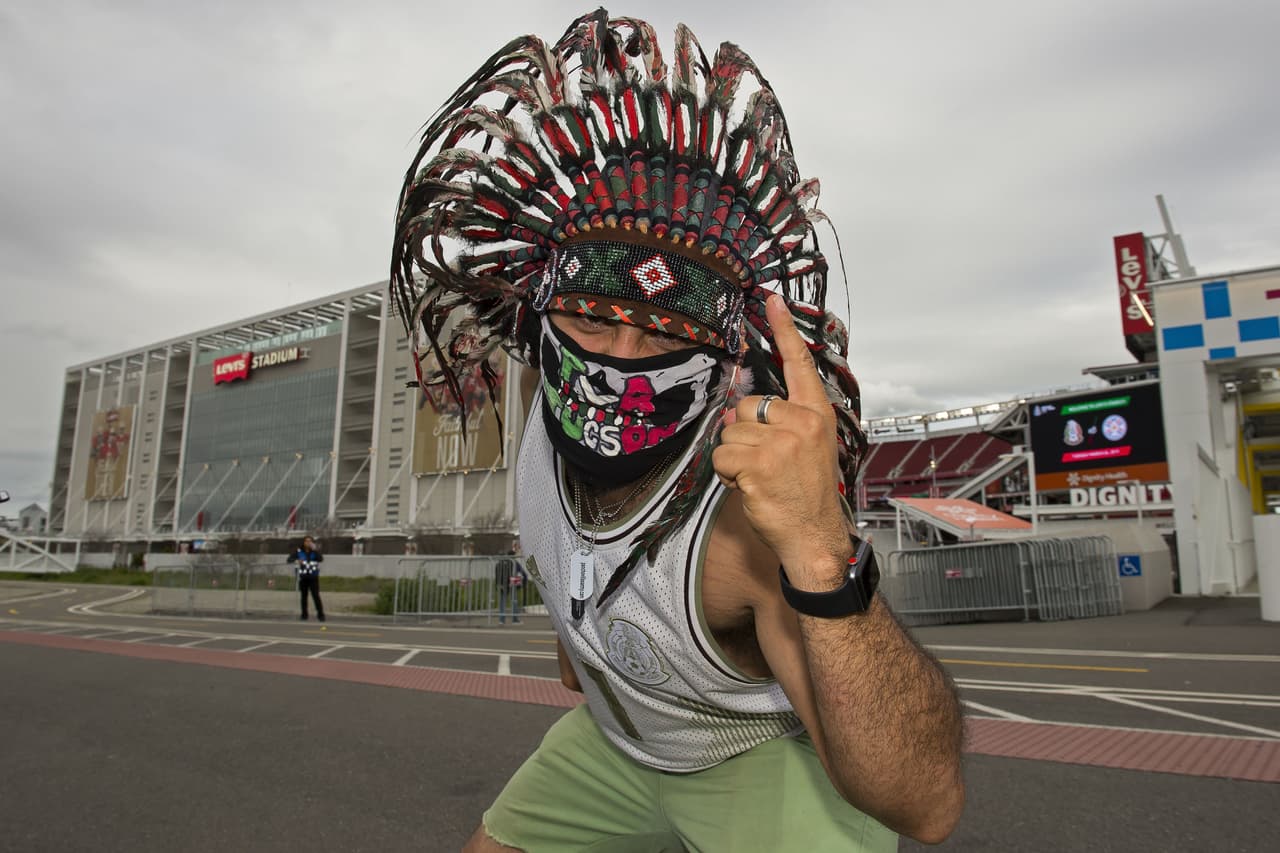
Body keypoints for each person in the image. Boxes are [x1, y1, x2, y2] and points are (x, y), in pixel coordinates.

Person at [390, 10, 965, 851]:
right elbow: (572, 622)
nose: (620, 360)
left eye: (662, 334)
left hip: (761, 767)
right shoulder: (540, 440)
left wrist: (817, 549)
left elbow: (928, 804)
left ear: (724, 356)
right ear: (538, 311)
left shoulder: (742, 532)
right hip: (617, 748)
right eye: (590, 317)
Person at [287, 535, 325, 622]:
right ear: (304, 542)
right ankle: (304, 615)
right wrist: (296, 561)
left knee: (316, 596)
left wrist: (316, 550)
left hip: (313, 577)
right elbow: (289, 559)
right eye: (306, 541)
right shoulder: (299, 551)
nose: (308, 543)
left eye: (310, 541)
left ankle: (320, 614)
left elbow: (320, 559)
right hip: (303, 577)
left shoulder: (314, 552)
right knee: (304, 597)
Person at [494, 545, 529, 625]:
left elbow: (497, 575)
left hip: (503, 585)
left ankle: (501, 620)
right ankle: (514, 619)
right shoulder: (514, 563)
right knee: (514, 601)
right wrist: (524, 582)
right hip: (512, 584)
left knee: (502, 603)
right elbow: (523, 573)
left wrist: (498, 585)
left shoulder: (499, 563)